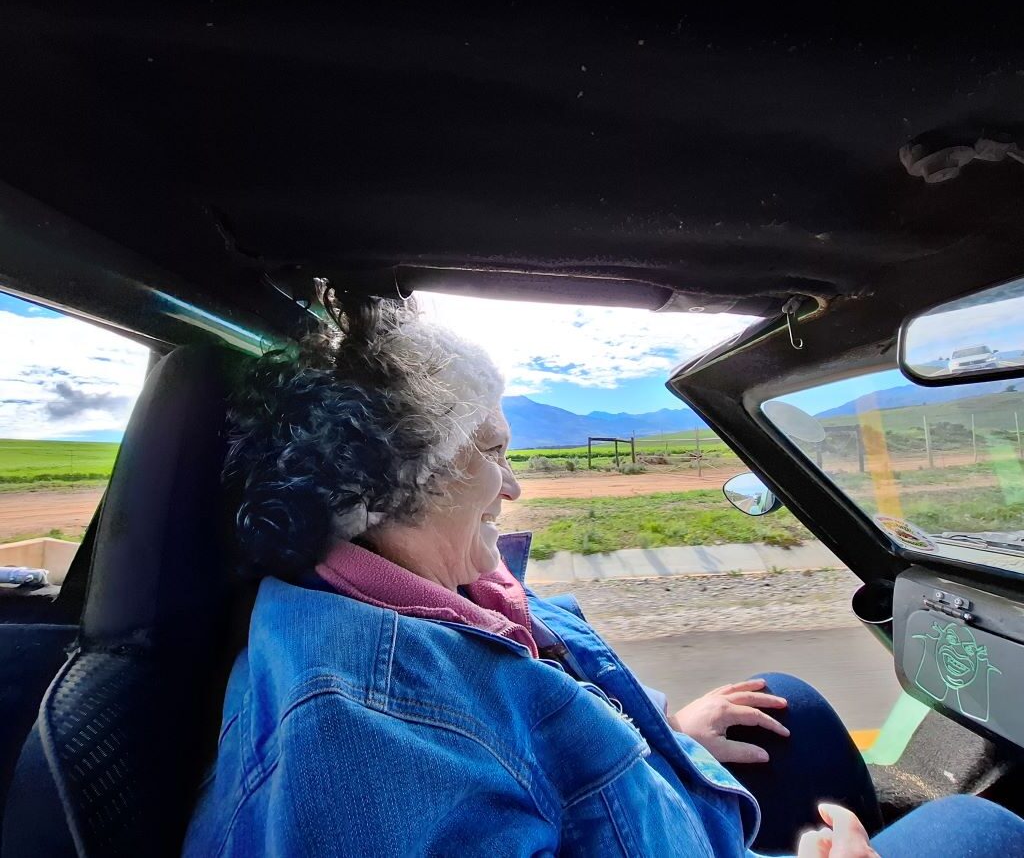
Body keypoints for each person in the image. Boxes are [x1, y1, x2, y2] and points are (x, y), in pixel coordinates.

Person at [185, 295, 1024, 856]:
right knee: (977, 827)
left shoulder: (404, 606)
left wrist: (656, 733)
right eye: (492, 453)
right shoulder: (369, 735)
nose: (511, 487)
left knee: (784, 708)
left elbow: (527, 739)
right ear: (386, 479)